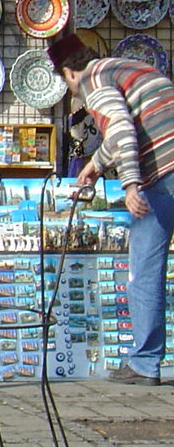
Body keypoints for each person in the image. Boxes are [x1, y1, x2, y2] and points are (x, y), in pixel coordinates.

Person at [51, 32, 174, 385]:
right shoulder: (126, 67)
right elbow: (133, 123)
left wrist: (131, 183)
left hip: (164, 171)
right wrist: (95, 165)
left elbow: (120, 130)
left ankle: (145, 363)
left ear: (68, 73)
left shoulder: (93, 80)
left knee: (144, 269)